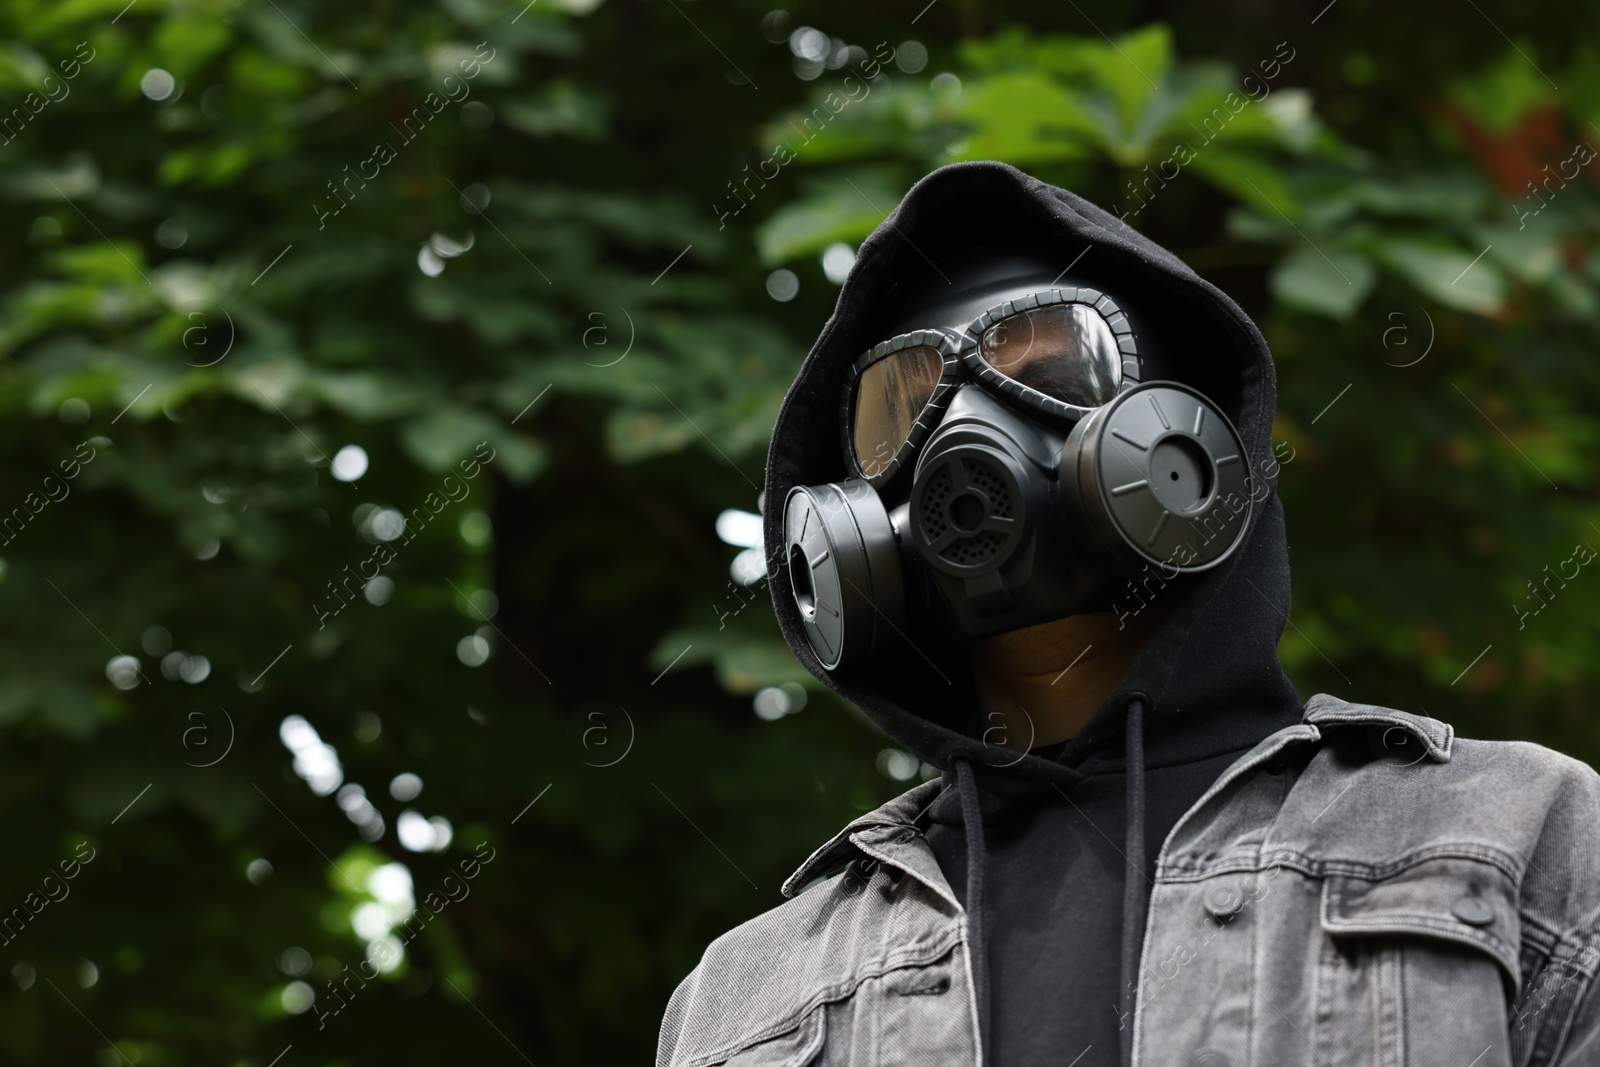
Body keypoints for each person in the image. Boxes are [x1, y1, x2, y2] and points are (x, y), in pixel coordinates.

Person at [656, 161, 1600, 1067]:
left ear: (1190, 442)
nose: (963, 432)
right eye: (901, 413)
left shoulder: (1524, 835)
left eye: (1056, 370)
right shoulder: (746, 999)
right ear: (849, 522)